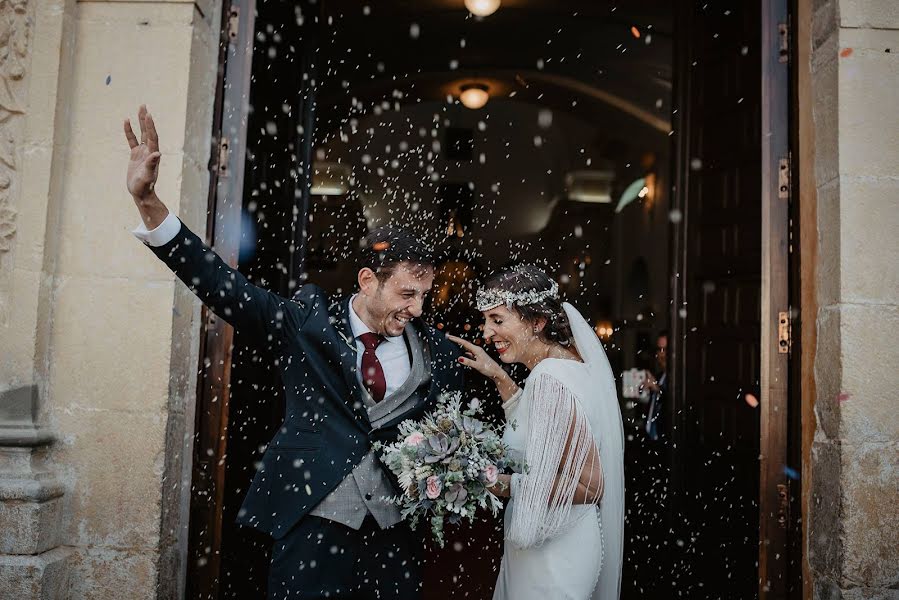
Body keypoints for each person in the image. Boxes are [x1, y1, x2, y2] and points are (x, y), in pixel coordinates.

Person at [123, 106, 464, 599]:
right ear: (368, 280)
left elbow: (449, 432)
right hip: (312, 520)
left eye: (424, 296)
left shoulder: (435, 351)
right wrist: (149, 202)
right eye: (407, 293)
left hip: (396, 535)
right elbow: (221, 285)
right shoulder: (305, 324)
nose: (417, 307)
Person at [448, 265, 625, 600]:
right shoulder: (569, 365)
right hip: (559, 543)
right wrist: (499, 376)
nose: (486, 332)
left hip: (554, 556)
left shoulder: (549, 378)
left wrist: (488, 481)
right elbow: (537, 427)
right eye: (486, 320)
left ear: (537, 321)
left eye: (498, 320)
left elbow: (589, 485)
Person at [643, 331, 668, 441]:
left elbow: (674, 403)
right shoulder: (659, 377)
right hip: (650, 441)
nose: (661, 354)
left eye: (665, 349)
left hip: (666, 441)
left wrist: (657, 389)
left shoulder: (680, 380)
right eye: (659, 349)